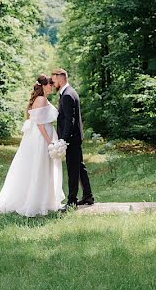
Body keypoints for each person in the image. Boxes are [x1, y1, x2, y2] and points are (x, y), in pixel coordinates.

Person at [0, 74, 64, 216]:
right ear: (43, 86)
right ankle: (36, 201)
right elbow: (40, 124)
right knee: (39, 166)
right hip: (41, 137)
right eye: (50, 85)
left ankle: (41, 200)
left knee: (40, 166)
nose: (52, 87)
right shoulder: (41, 99)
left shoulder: (42, 99)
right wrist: (50, 141)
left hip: (39, 136)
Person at [52, 68, 94, 210]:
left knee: (73, 169)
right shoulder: (69, 92)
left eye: (54, 80)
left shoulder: (68, 95)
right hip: (75, 137)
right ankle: (88, 196)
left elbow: (70, 119)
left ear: (61, 78)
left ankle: (72, 201)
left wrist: (64, 139)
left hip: (71, 139)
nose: (53, 83)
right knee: (80, 167)